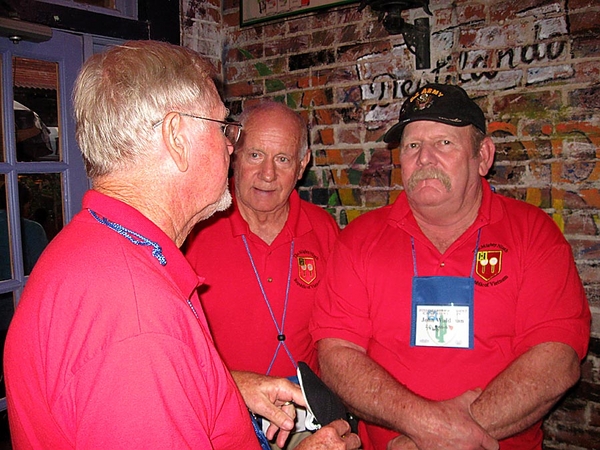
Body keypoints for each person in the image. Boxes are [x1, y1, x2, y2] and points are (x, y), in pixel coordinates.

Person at [3, 40, 360, 450]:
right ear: (176, 136)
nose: (231, 145)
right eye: (222, 127)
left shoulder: (100, 245)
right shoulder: (136, 322)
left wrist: (227, 387)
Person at [310, 83, 591, 450]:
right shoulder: (359, 239)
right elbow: (336, 354)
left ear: (483, 156)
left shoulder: (533, 233)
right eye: (412, 145)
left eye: (443, 142)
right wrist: (423, 423)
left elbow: (557, 358)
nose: (424, 157)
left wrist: (428, 441)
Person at [185, 101, 340, 448]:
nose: (267, 174)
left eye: (282, 159)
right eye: (255, 155)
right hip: (221, 418)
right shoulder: (192, 229)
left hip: (306, 421)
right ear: (233, 154)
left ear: (302, 166)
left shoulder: (325, 230)